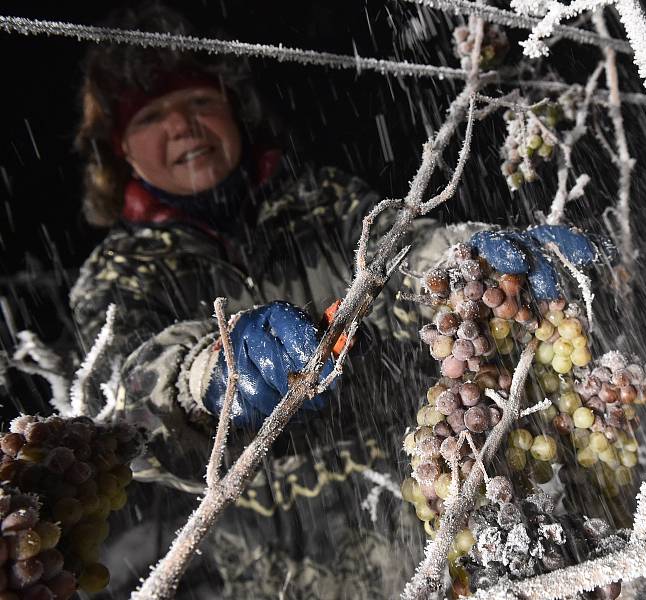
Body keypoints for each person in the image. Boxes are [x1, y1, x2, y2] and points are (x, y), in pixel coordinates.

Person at [67, 5, 609, 598]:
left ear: (235, 112)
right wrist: (207, 378)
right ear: (120, 148)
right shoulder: (119, 274)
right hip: (267, 578)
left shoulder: (325, 204)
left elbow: (404, 254)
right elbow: (122, 405)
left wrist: (467, 266)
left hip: (420, 546)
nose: (184, 127)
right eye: (153, 115)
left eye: (201, 102)